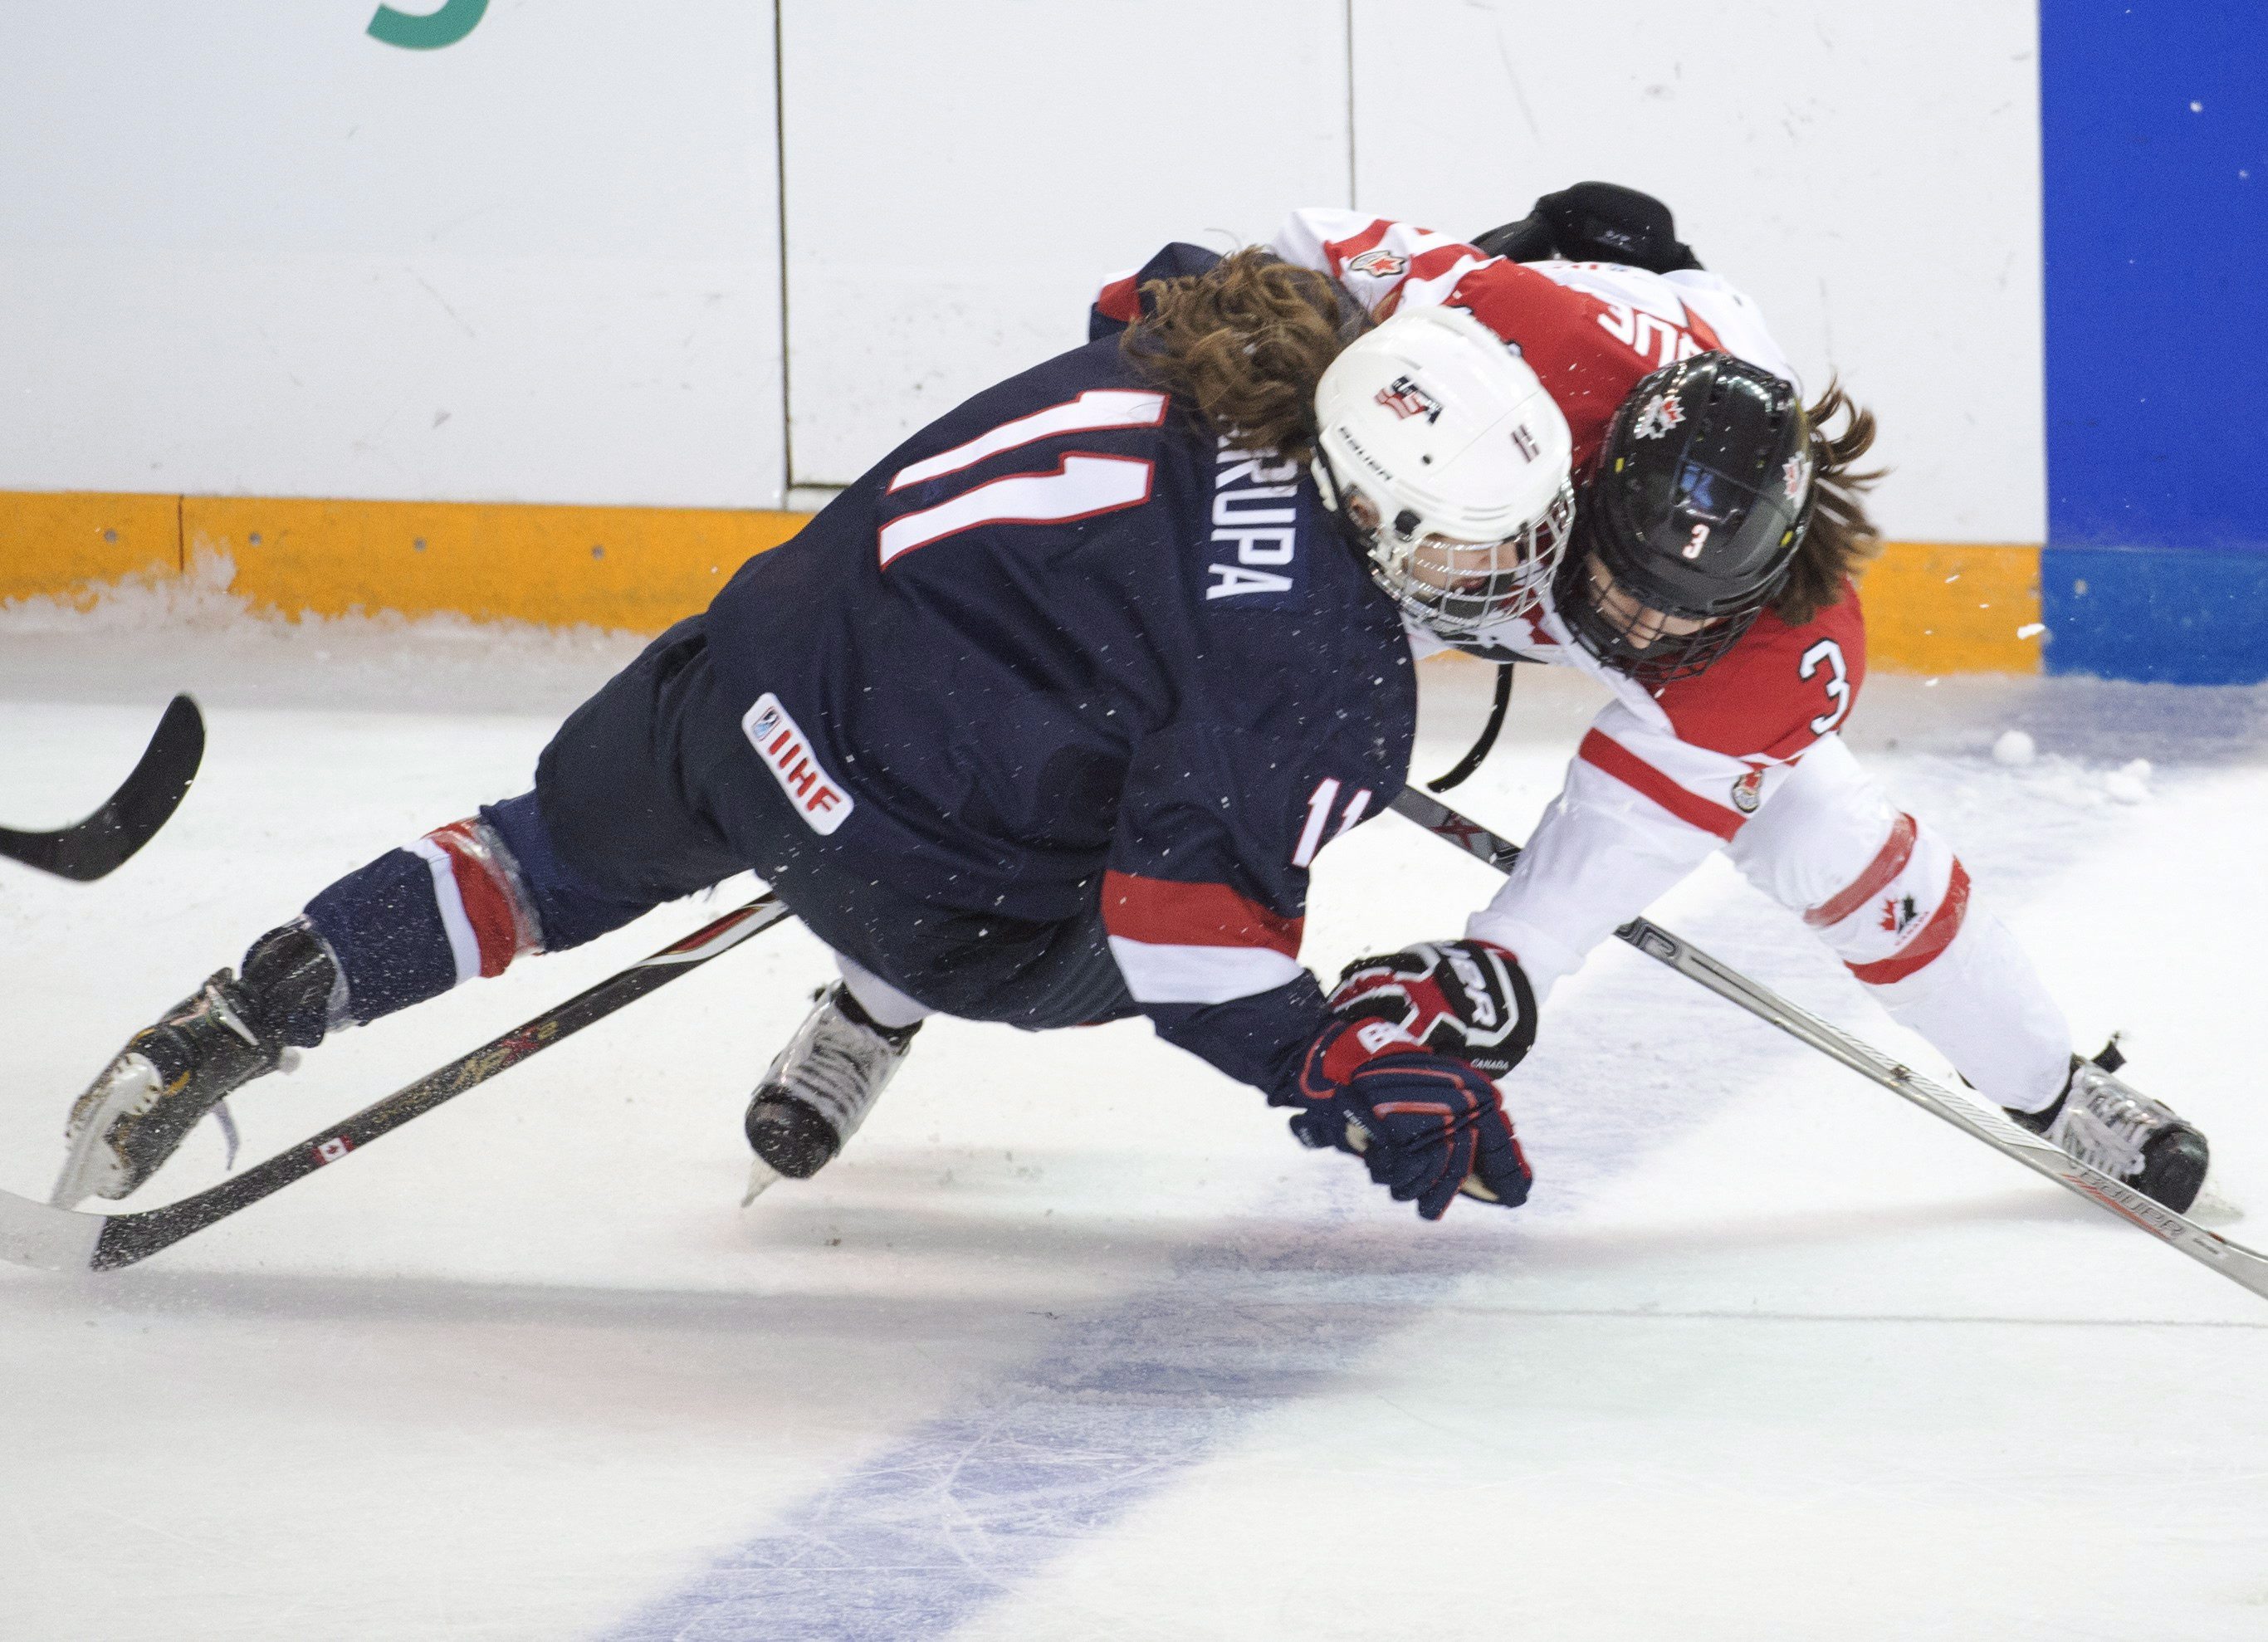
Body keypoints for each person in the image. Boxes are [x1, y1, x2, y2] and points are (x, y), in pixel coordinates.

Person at [54, 251, 1582, 1224]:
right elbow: (1184, 947)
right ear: (1376, 501)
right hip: (921, 886)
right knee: (1178, 880)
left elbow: (1137, 297)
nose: (1494, 575)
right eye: (1466, 544)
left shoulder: (1214, 330)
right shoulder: (1319, 675)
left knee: (541, 855)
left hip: (743, 685)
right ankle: (876, 997)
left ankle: (248, 1006)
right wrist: (1333, 1062)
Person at [1236, 184, 2210, 1210]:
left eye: (1682, 611)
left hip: (1602, 484)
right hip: (1481, 501)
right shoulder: (1524, 344)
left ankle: (2050, 1087)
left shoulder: (1787, 640)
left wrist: (1502, 967)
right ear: (1596, 478)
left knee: (1828, 838)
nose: (1637, 629)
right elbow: (1301, 250)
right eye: (1626, 580)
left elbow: (1626, 820)